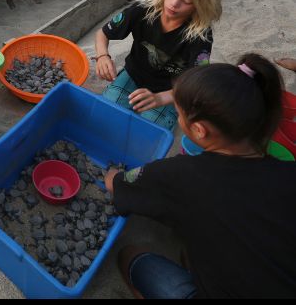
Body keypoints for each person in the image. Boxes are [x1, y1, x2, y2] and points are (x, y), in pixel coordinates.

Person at [106, 53, 296, 299]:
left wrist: (112, 174)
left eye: (178, 114)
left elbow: (118, 185)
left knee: (132, 256)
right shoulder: (288, 170)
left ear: (199, 130)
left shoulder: (181, 175)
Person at [94, 0, 223, 130]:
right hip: (134, 74)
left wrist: (161, 98)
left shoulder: (201, 36)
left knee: (148, 129)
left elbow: (196, 83)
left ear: (201, 6)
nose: (174, 4)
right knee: (105, 113)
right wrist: (102, 56)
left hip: (172, 89)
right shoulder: (142, 10)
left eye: (186, 1)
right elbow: (102, 34)